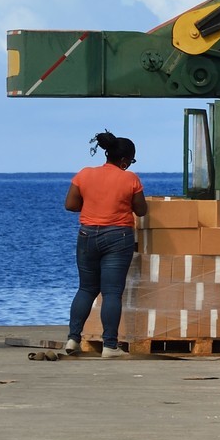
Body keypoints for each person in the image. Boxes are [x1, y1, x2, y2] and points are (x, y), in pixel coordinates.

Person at [64, 131, 147, 357]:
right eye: (130, 161)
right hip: (118, 237)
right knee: (111, 293)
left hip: (86, 235)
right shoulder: (130, 179)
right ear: (124, 161)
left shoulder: (84, 174)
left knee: (86, 288)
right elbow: (141, 210)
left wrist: (94, 204)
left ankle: (73, 339)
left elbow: (70, 205)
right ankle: (110, 345)